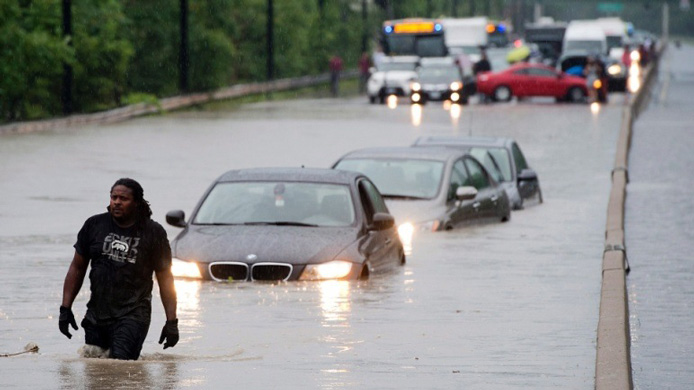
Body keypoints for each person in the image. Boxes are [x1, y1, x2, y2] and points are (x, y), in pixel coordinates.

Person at [59, 178, 178, 360]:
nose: (116, 202)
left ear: (136, 203)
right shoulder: (94, 225)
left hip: (133, 314)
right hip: (96, 315)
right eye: (113, 197)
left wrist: (171, 322)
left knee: (121, 367)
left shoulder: (153, 232)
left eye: (123, 198)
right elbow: (77, 268)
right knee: (96, 373)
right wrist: (65, 309)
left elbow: (165, 278)